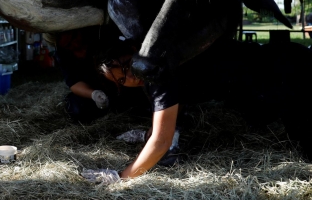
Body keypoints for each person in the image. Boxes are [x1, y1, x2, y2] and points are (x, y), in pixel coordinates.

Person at [82, 37, 312, 184]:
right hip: (276, 70)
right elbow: (168, 120)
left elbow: (162, 143)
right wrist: (148, 134)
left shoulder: (158, 73)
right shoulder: (154, 62)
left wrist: (121, 176)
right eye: (122, 80)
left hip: (286, 73)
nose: (130, 78)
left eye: (126, 65)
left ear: (133, 48)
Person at [53, 26, 150, 124]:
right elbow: (73, 82)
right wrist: (94, 94)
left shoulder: (101, 36)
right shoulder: (64, 56)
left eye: (74, 37)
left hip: (124, 89)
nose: (75, 43)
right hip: (102, 91)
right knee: (75, 107)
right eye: (68, 45)